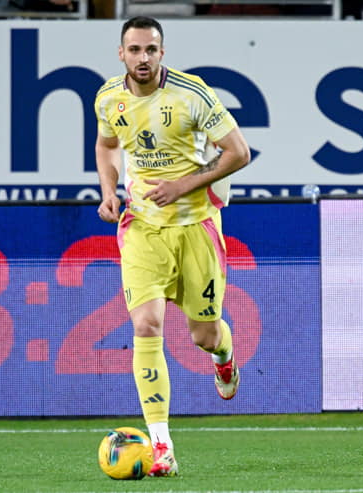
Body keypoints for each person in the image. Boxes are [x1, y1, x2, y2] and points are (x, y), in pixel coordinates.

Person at [93, 16, 251, 477]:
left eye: (152, 50)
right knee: (146, 325)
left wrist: (185, 185)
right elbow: (107, 147)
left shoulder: (191, 94)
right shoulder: (108, 98)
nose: (143, 58)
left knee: (204, 335)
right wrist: (108, 190)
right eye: (135, 50)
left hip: (196, 227)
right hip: (141, 226)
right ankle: (161, 446)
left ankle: (224, 359)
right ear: (121, 53)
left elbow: (238, 152)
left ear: (163, 53)